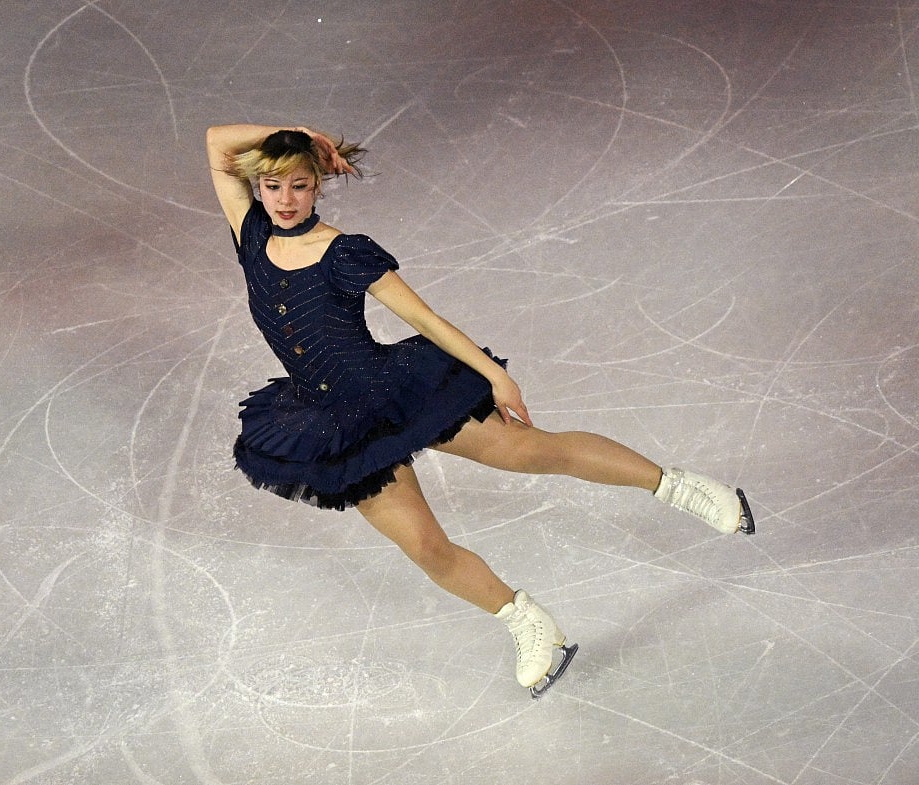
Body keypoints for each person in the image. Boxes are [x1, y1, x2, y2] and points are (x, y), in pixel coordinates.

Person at [205, 123, 755, 699]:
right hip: (331, 425)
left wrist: (495, 377)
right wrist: (302, 134)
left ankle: (683, 488)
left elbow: (426, 321)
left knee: (530, 451)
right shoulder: (250, 230)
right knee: (425, 547)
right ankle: (529, 623)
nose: (286, 200)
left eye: (299, 185)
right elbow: (217, 139)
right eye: (273, 186)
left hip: (392, 391)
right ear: (258, 187)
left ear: (318, 185)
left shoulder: (342, 252)